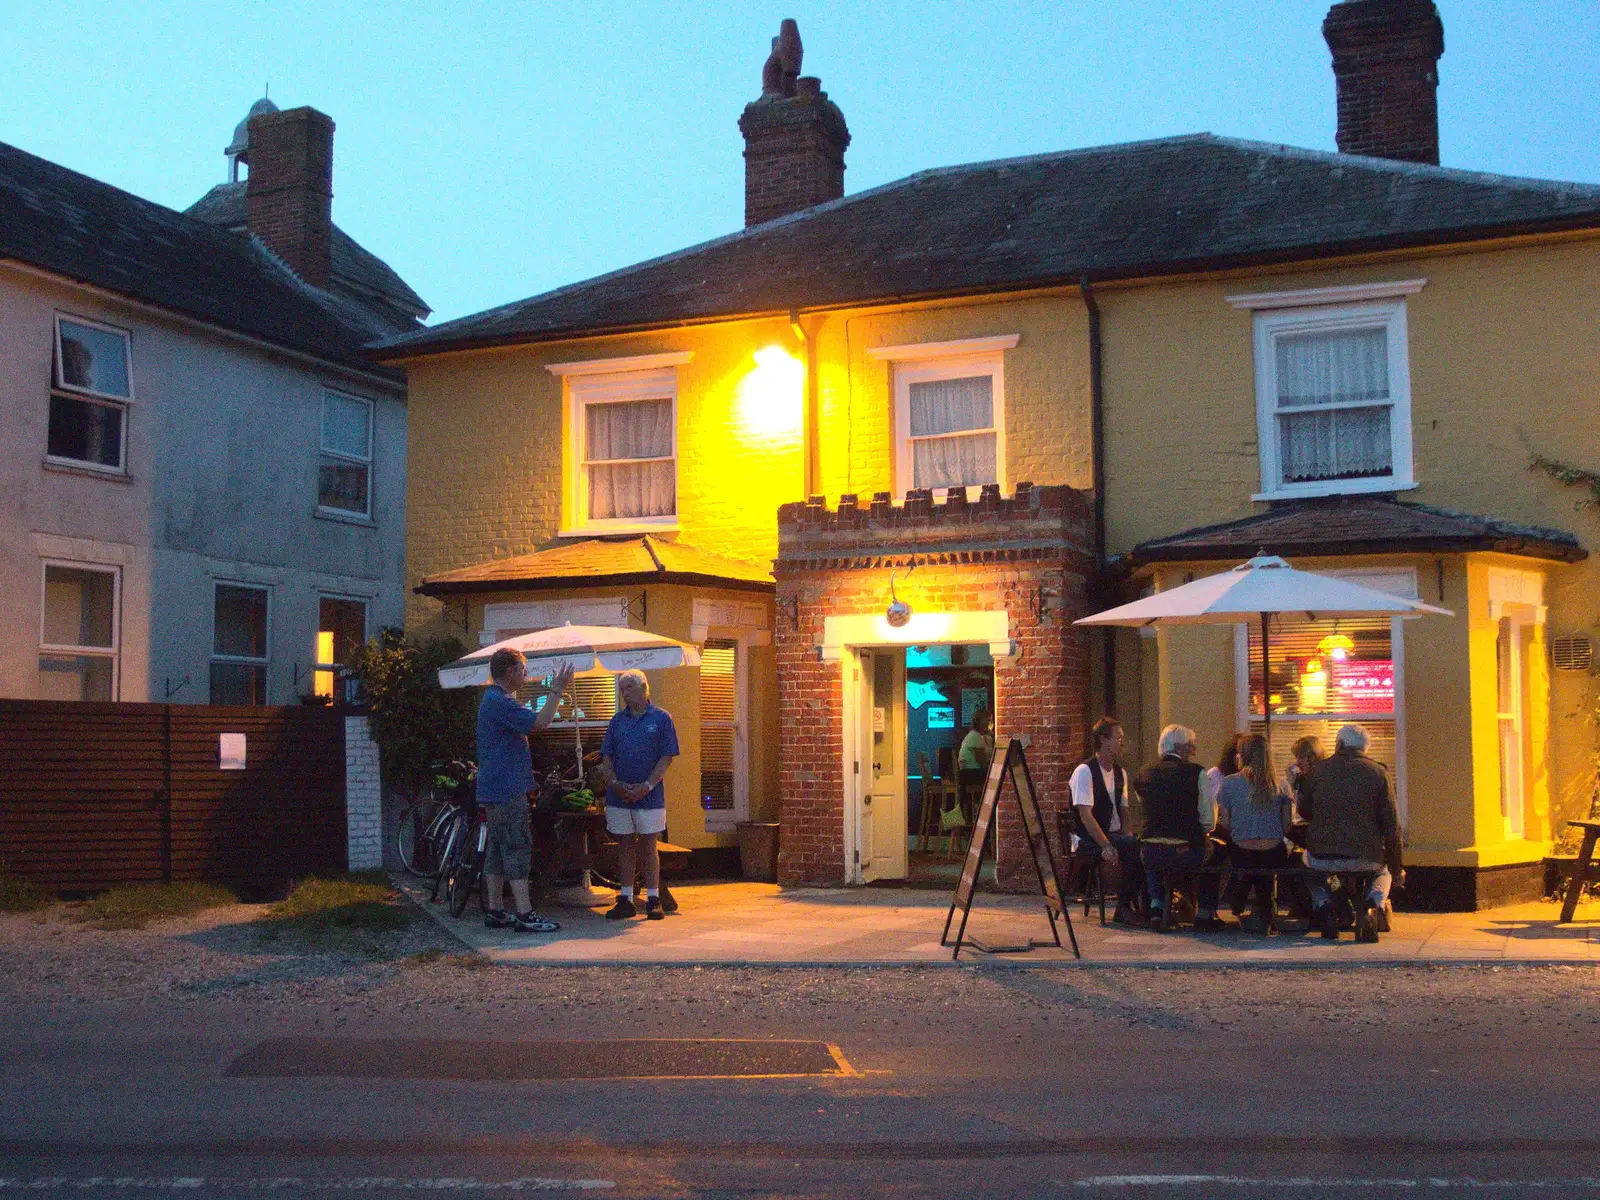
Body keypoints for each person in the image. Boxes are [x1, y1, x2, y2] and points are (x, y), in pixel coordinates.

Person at [477, 649, 574, 933]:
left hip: (494, 787)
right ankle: (524, 912)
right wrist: (557, 689)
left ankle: (495, 910)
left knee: (496, 847)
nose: (526, 674)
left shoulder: (493, 700)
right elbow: (541, 723)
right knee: (517, 846)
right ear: (508, 672)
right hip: (507, 788)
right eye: (522, 669)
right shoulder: (501, 701)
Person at [1300, 724, 1404, 941]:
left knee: (1319, 874)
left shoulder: (1318, 771)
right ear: (1364, 749)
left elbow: (1304, 811)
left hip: (1324, 856)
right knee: (1382, 873)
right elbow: (1392, 825)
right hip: (1367, 856)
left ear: (1338, 744)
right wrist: (1396, 869)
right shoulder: (1379, 773)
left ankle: (1325, 904)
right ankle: (1371, 907)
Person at [601, 669, 680, 921]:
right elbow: (606, 756)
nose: (624, 694)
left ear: (644, 688)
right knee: (624, 844)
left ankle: (653, 898)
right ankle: (625, 898)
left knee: (648, 845)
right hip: (619, 795)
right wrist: (614, 783)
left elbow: (666, 757)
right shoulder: (617, 721)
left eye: (629, 688)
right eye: (622, 689)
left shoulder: (661, 719)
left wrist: (647, 785)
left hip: (650, 796)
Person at [1135, 724, 1223, 932]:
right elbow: (1208, 819)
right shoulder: (1196, 773)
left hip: (1151, 851)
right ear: (1181, 748)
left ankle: (1156, 904)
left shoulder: (1143, 773)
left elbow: (1145, 809)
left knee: (1151, 856)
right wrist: (1199, 834)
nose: (1194, 752)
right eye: (1191, 747)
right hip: (1185, 853)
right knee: (1216, 852)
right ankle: (1204, 912)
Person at [1069, 717, 1145, 927]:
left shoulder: (1120, 773)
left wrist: (1127, 832)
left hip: (1113, 834)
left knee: (1141, 844)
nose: (1122, 742)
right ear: (1103, 740)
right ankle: (1123, 908)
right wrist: (1106, 845)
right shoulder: (1085, 771)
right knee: (1132, 848)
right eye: (1117, 738)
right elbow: (1086, 815)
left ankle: (1148, 906)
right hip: (1088, 838)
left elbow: (1124, 809)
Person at [1216, 734, 1294, 930]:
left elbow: (1226, 823)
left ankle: (1241, 901)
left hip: (1241, 853)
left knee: (1249, 860)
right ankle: (1264, 909)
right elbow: (1287, 826)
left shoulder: (1229, 783)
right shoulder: (1281, 785)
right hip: (1273, 852)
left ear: (1243, 756)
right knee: (1266, 862)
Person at [957, 708, 995, 790]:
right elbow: (982, 762)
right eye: (988, 720)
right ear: (982, 722)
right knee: (997, 776)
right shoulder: (975, 737)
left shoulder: (975, 735)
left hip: (968, 773)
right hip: (971, 774)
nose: (991, 723)